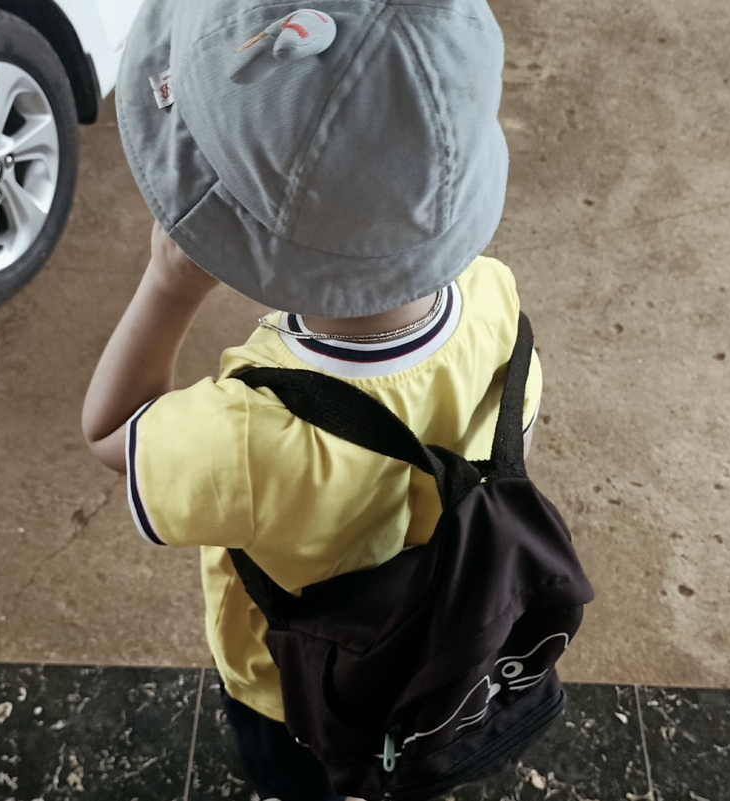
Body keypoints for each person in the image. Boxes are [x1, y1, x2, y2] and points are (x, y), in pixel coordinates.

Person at [82, 1, 543, 799]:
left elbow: (110, 431)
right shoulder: (498, 302)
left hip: (294, 693)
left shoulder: (248, 429)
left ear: (235, 228)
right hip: (451, 657)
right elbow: (513, 456)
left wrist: (167, 285)